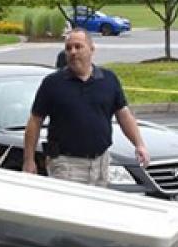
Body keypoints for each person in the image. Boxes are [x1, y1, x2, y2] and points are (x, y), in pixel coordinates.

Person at [22, 28, 148, 185]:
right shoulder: (52, 84)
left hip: (101, 163)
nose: (73, 52)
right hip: (66, 164)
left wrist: (139, 144)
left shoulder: (109, 80)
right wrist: (29, 160)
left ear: (92, 49)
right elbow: (35, 121)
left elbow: (123, 115)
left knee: (97, 208)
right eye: (68, 48)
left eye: (78, 46)